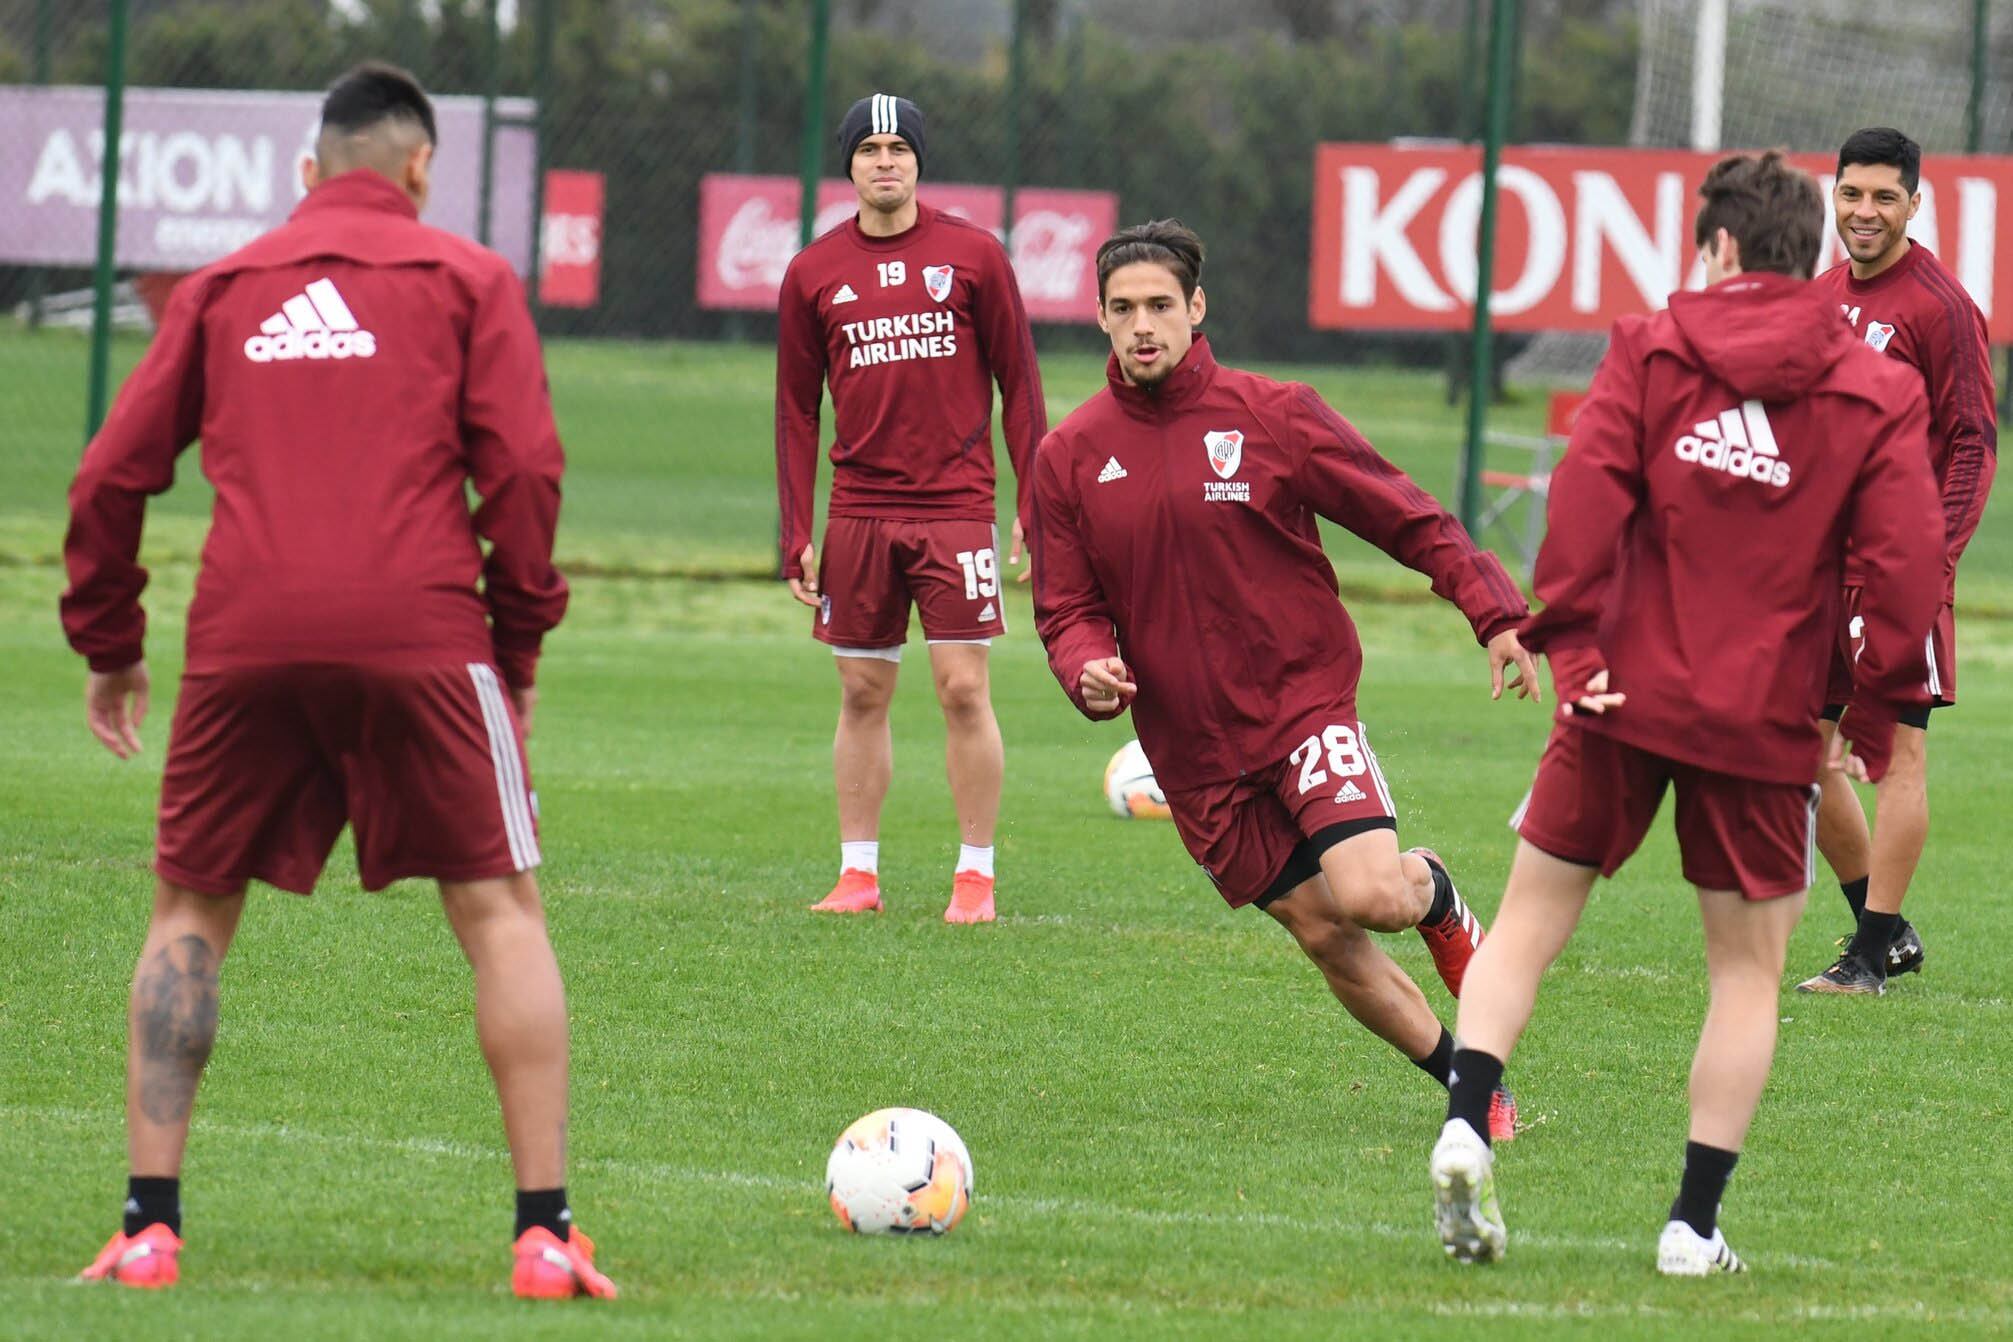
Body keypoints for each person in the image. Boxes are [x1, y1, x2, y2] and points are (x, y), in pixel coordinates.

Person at [60, 63, 615, 1300]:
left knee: (190, 913)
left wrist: (110, 641)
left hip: (243, 634)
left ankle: (149, 1227)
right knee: (501, 912)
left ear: (308, 172)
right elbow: (523, 472)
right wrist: (514, 650)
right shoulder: (469, 279)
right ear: (420, 169)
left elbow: (107, 477)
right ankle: (543, 1234)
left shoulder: (220, 287)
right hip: (420, 629)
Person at [1427, 151, 1941, 1275]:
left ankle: (1466, 1120)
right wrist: (1866, 711)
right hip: (1763, 723)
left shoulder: (1649, 346)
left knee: (1525, 925)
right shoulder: (1874, 385)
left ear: (1712, 247)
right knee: (1746, 975)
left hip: (1622, 696)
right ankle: (1690, 1226)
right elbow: (1903, 574)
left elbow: (1582, 503)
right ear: (1806, 251)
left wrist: (1575, 643)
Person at [1032, 219, 1535, 1146]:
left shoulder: (1271, 413)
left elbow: (1405, 514)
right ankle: (1468, 1082)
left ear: (1195, 308)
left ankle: (1434, 892)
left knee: (1372, 898)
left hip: (1300, 706)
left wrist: (1493, 609)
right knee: (1322, 933)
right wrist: (1085, 669)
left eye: (1158, 306)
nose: (1141, 325)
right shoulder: (1067, 456)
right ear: (1099, 319)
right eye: (1121, 309)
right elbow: (1065, 607)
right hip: (1191, 753)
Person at [775, 92, 1047, 924]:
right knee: (861, 690)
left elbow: (1022, 390)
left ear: (918, 160)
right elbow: (795, 409)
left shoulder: (973, 256)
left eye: (898, 147)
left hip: (955, 505)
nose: (884, 161)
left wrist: (1031, 505)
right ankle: (858, 875)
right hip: (857, 511)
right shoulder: (812, 272)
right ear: (849, 165)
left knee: (962, 688)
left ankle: (975, 877)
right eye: (868, 149)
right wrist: (796, 531)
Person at [1799, 126, 1999, 994]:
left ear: (1915, 204)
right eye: (1851, 194)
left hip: (1896, 567)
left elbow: (1972, 444)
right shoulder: (1816, 299)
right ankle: (1882, 932)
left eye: (1884, 196)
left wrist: (1933, 561)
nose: (1865, 211)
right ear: (1831, 196)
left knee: (1895, 758)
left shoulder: (1942, 308)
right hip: (1815, 572)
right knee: (1801, 757)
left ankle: (1866, 960)